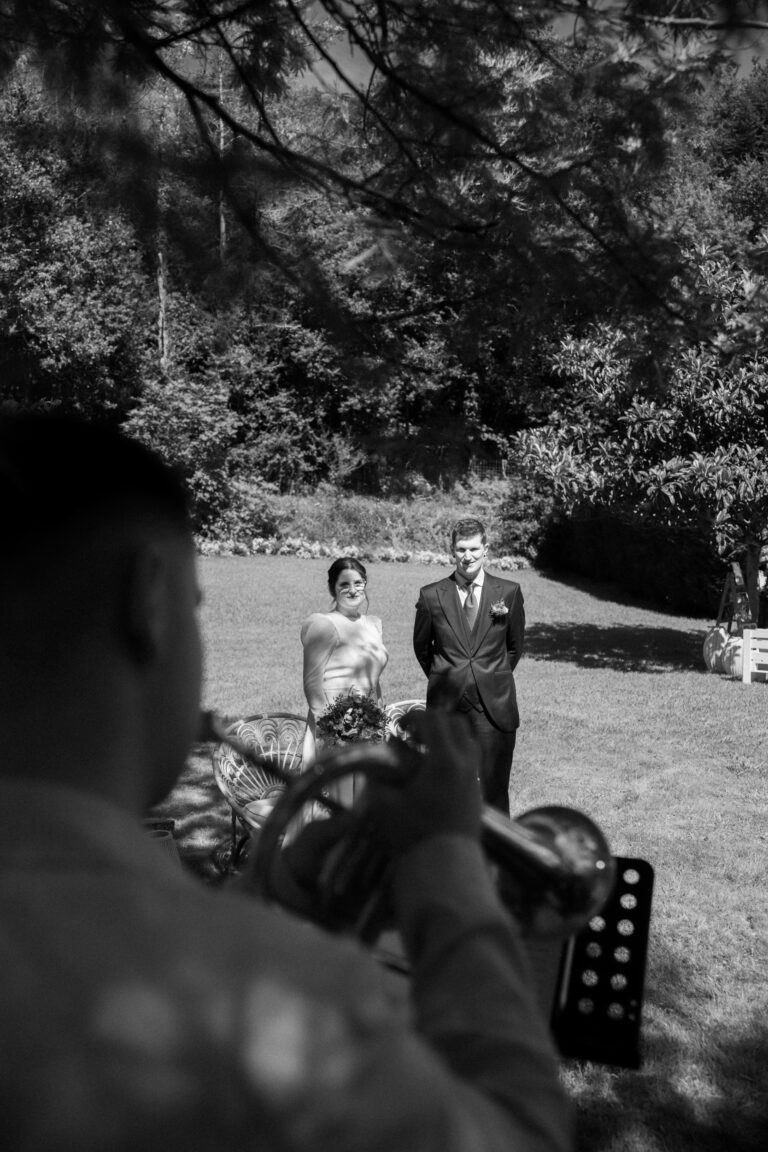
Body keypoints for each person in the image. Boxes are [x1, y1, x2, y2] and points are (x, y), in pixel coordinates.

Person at [0, 415, 570, 1152]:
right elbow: (522, 1133)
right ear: (149, 597)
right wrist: (449, 863)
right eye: (196, 607)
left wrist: (255, 898)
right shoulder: (278, 1007)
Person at [413, 516, 525, 814]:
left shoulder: (508, 592)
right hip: (448, 706)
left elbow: (514, 647)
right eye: (461, 549)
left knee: (495, 791)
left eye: (474, 549)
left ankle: (496, 856)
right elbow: (422, 649)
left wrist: (488, 676)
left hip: (494, 707)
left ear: (485, 549)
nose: (468, 556)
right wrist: (450, 675)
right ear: (452, 550)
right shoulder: (431, 595)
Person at [300, 557, 388, 803]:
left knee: (366, 799)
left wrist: (378, 720)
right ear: (332, 588)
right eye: (344, 584)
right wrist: (332, 730)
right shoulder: (323, 624)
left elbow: (374, 678)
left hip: (369, 722)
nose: (352, 589)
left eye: (358, 583)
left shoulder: (373, 624)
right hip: (334, 725)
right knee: (336, 800)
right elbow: (312, 684)